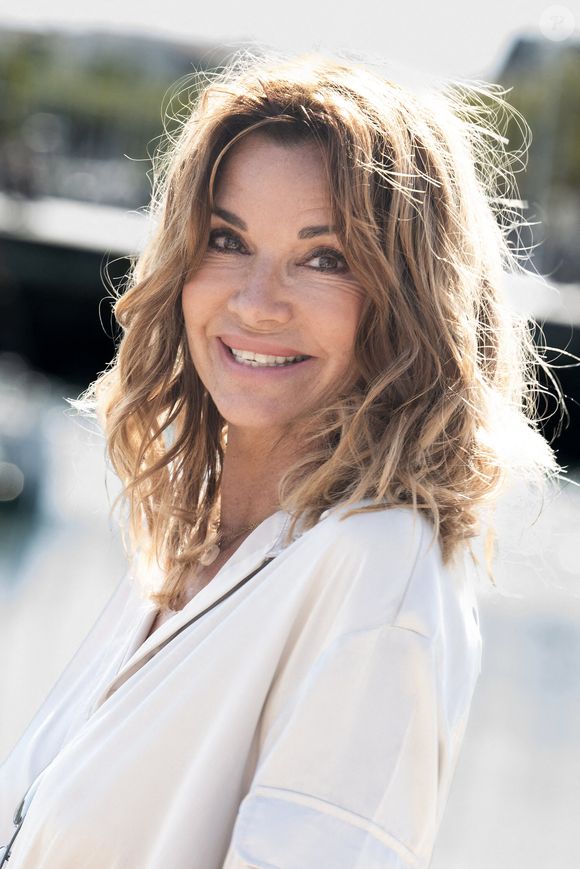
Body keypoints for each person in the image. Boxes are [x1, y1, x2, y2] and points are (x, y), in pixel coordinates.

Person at [0, 53, 559, 868]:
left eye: (324, 256)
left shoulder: (381, 575)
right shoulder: (185, 553)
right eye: (228, 240)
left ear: (406, 302)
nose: (257, 301)